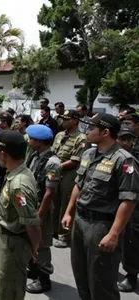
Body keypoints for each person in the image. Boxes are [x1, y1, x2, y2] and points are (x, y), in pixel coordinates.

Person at [61, 114, 139, 300]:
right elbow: (78, 184)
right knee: (81, 275)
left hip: (101, 225)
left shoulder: (124, 160)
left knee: (101, 282)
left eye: (91, 128)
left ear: (105, 132)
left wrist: (113, 234)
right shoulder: (89, 153)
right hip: (80, 220)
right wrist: (68, 212)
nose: (87, 131)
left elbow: (129, 200)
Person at [0, 130, 41, 300]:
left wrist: (35, 250)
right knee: (0, 285)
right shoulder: (14, 174)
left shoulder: (19, 184)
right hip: (4, 240)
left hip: (13, 245)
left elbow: (32, 223)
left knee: (9, 291)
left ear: (3, 154)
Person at [25, 125, 62, 293]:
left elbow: (50, 192)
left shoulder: (52, 162)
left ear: (39, 141)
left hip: (43, 207)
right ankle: (33, 269)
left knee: (42, 243)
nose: (29, 141)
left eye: (31, 138)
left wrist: (39, 215)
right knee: (31, 238)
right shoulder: (36, 155)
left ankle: (44, 278)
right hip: (32, 204)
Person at [52, 109, 89, 248]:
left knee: (66, 204)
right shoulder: (60, 135)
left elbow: (75, 161)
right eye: (62, 119)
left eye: (67, 119)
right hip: (56, 170)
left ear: (75, 120)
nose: (63, 121)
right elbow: (53, 152)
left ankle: (64, 236)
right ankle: (54, 230)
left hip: (69, 173)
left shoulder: (81, 138)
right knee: (54, 202)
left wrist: (55, 167)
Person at [116, 125, 139, 292]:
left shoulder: (134, 159)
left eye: (128, 139)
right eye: (122, 139)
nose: (125, 143)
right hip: (114, 203)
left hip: (134, 205)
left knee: (131, 240)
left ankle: (131, 276)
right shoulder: (112, 156)